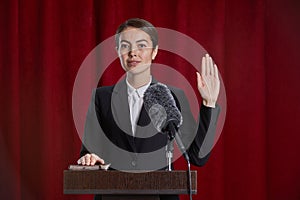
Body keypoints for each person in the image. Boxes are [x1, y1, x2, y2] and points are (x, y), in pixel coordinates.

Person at [77, 18, 221, 200]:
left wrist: (209, 103)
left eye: (141, 45)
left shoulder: (173, 96)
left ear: (154, 52)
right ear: (117, 52)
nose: (133, 53)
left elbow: (197, 156)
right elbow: (88, 152)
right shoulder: (101, 97)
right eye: (125, 46)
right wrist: (89, 159)